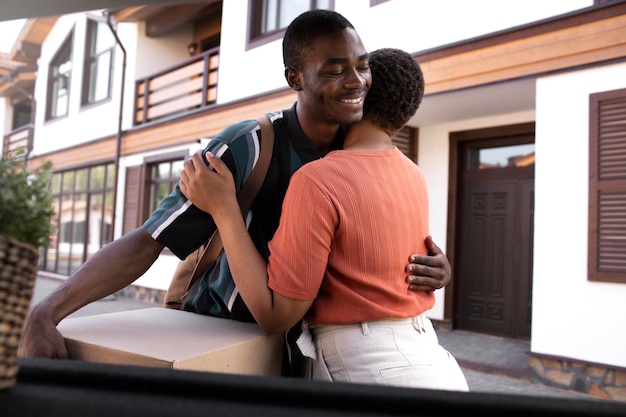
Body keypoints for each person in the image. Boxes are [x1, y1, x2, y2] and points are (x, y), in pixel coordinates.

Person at [19, 10, 451, 377]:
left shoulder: (356, 156)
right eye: (336, 69)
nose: (356, 80)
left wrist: (435, 264)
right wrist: (46, 312)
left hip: (309, 357)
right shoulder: (248, 145)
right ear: (295, 77)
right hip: (221, 342)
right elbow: (150, 241)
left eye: (362, 65)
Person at [180, 47, 468, 391]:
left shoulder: (319, 178)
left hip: (369, 366)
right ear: (403, 119)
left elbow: (275, 315)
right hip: (433, 358)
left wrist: (225, 209)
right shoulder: (413, 175)